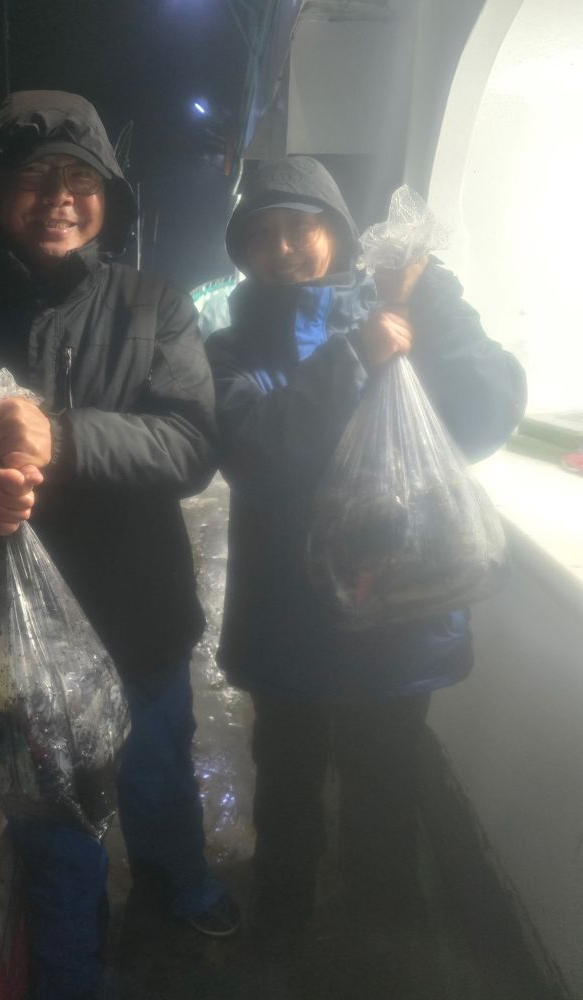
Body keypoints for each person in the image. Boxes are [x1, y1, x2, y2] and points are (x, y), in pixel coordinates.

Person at [0, 90, 240, 1000]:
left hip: (143, 618)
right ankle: (71, 977)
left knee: (160, 774)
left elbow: (192, 445)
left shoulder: (155, 308)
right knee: (52, 824)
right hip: (20, 652)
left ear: (105, 197)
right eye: (33, 176)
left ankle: (179, 883)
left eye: (78, 176)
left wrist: (65, 437)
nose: (58, 195)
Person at [205, 156, 526, 949]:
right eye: (262, 234)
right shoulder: (231, 350)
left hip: (401, 617)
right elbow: (251, 455)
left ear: (339, 236)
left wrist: (433, 298)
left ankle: (386, 934)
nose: (281, 247)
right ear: (243, 254)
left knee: (388, 782)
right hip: (289, 621)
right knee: (287, 785)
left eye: (300, 228)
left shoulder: (406, 309)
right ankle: (282, 928)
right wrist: (352, 357)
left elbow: (488, 414)